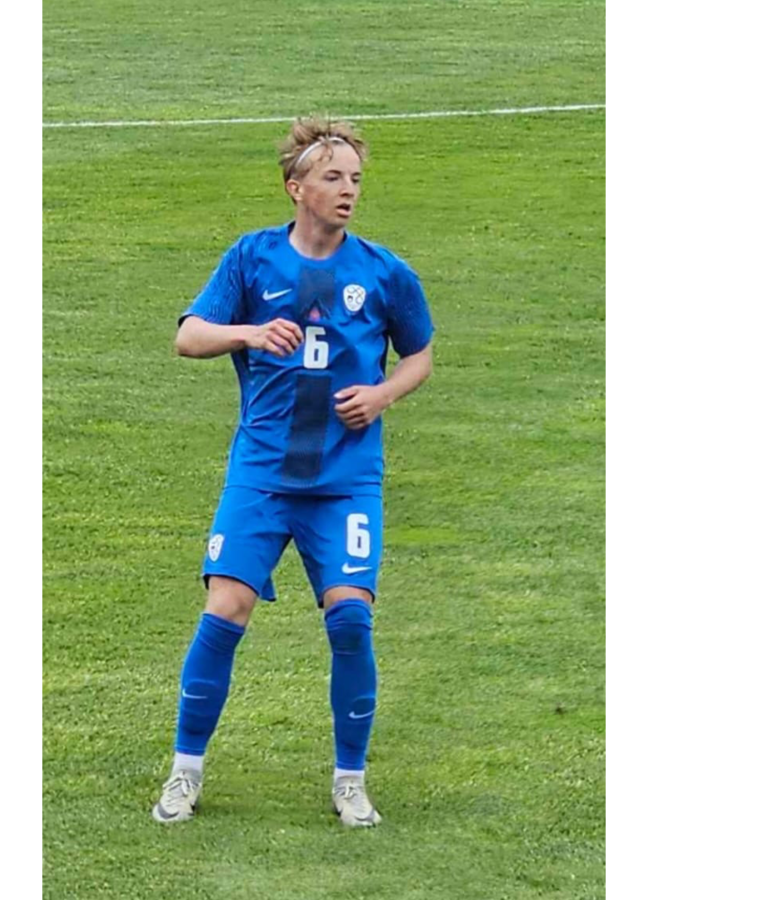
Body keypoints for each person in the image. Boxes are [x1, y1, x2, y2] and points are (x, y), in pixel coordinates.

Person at [152, 116, 434, 828]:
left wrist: (382, 395)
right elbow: (189, 336)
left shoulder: (383, 272)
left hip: (345, 480)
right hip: (262, 475)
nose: (348, 190)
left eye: (355, 179)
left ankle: (350, 780)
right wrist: (248, 332)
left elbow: (420, 355)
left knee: (351, 619)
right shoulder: (252, 258)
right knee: (226, 608)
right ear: (295, 187)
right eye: (333, 177)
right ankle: (185, 772)